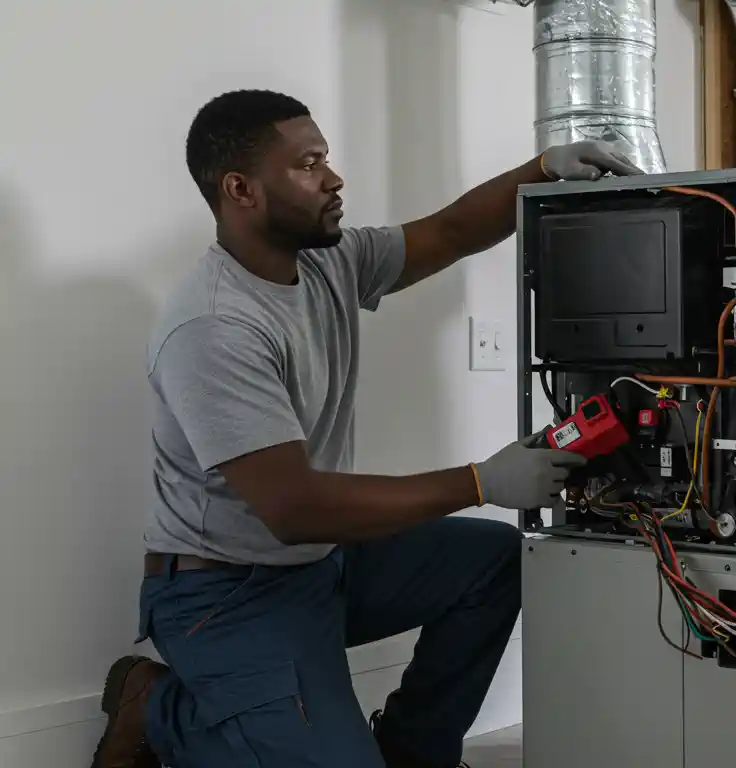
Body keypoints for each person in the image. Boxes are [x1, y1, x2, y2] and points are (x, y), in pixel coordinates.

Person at [90, 89, 643, 768]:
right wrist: (479, 480)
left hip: (321, 566)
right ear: (241, 190)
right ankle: (157, 708)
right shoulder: (214, 325)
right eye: (308, 164)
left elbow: (448, 233)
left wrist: (543, 169)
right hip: (224, 594)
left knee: (495, 562)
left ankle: (412, 751)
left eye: (325, 157)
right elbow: (294, 508)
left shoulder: (328, 261)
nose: (333, 177)